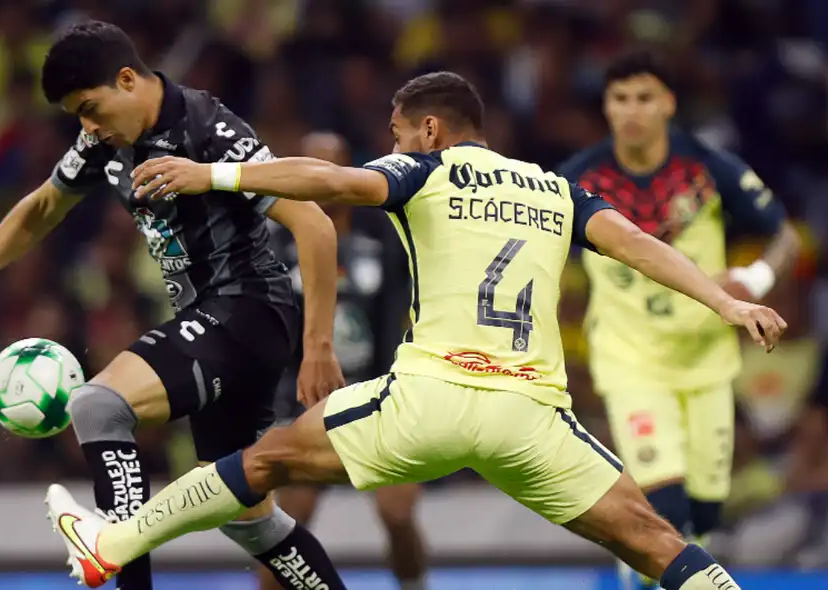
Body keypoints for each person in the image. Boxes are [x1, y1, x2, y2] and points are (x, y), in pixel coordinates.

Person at [44, 71, 787, 590]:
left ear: (428, 129)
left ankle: (111, 543)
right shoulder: (559, 189)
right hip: (532, 419)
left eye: (397, 133)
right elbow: (641, 245)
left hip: (434, 397)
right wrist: (727, 304)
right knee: (660, 543)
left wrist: (217, 177)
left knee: (264, 461)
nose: (391, 144)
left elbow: (332, 183)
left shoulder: (426, 173)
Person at [0, 21, 349, 590]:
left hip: (246, 308)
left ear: (127, 80)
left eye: (92, 109)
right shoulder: (104, 139)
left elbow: (314, 223)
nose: (88, 128)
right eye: (78, 117)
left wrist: (318, 347)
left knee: (98, 405)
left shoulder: (205, 127)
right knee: (247, 516)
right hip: (221, 320)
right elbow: (44, 205)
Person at [556, 50, 800, 590]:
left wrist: (755, 280)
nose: (632, 110)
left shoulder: (709, 167)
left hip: (707, 360)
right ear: (607, 107)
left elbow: (783, 234)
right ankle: (634, 574)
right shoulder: (576, 180)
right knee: (665, 513)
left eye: (644, 97)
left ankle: (639, 570)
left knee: (704, 519)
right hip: (631, 361)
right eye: (620, 99)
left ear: (667, 103)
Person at [261, 131, 428, 590]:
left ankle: (414, 585)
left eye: (328, 166)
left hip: (376, 393)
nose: (317, 179)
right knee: (288, 523)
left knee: (398, 512)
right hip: (300, 398)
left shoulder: (384, 241)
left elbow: (406, 315)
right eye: (308, 166)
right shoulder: (273, 248)